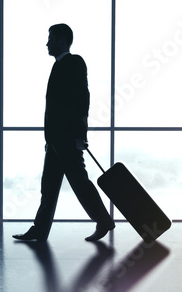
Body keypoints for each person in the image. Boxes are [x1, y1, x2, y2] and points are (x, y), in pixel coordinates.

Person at [13, 23, 115, 242]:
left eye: (50, 38)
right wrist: (49, 139)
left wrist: (81, 135)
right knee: (48, 187)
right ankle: (39, 230)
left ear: (61, 39)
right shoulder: (59, 66)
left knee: (79, 183)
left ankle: (104, 221)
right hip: (56, 140)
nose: (47, 43)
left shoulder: (74, 62)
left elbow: (82, 99)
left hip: (68, 138)